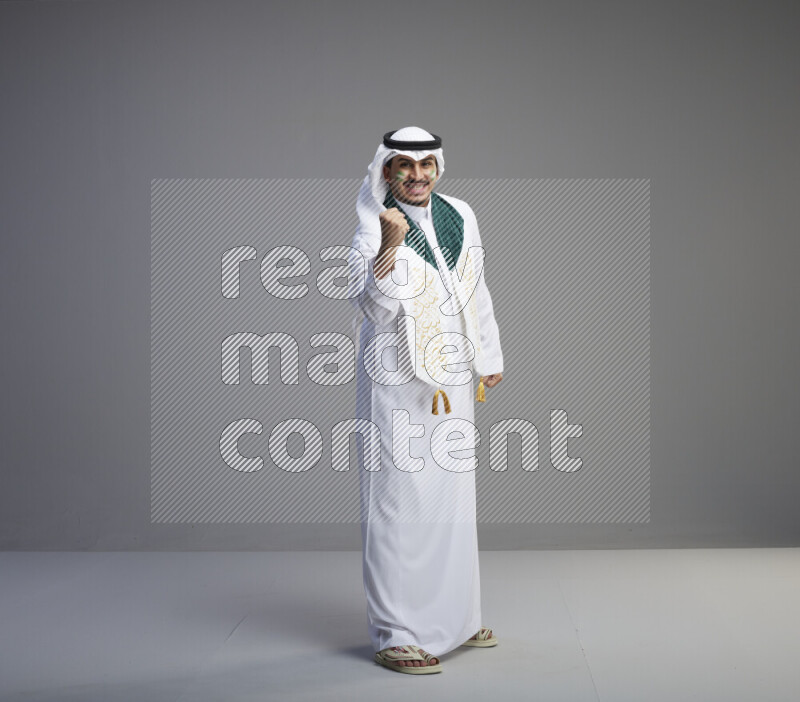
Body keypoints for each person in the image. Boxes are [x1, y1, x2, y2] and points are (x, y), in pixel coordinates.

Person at [347, 126, 504, 675]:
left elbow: (474, 284)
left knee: (453, 497)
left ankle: (457, 617)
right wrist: (390, 246)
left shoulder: (460, 212)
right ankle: (396, 630)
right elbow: (373, 308)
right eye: (403, 166)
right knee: (398, 502)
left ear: (438, 167)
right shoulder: (373, 220)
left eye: (426, 165)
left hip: (454, 376)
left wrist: (488, 354)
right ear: (386, 171)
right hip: (396, 381)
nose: (416, 176)